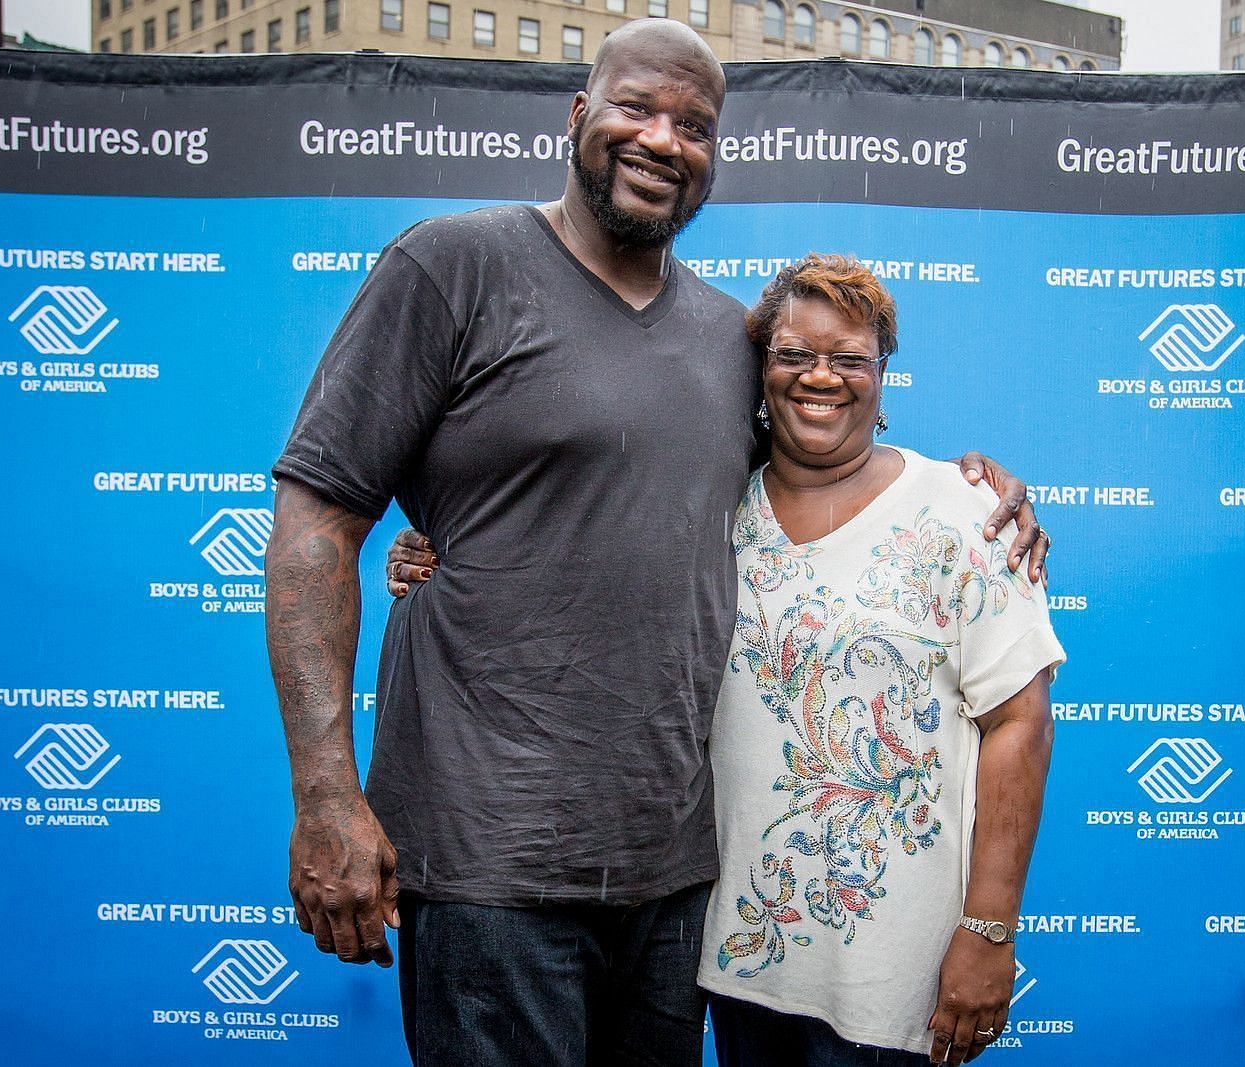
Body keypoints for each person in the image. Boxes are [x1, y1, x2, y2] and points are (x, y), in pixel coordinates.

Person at [267, 20, 1048, 1067]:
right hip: (492, 860)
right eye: (636, 107)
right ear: (578, 114)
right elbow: (317, 519)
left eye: (695, 125)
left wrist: (978, 487)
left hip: (677, 878)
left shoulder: (730, 340)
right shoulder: (448, 266)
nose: (662, 139)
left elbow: (827, 461)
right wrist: (326, 794)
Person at [392, 256, 1061, 1066]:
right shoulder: (715, 502)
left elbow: (1019, 722)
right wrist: (449, 550)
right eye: (793, 355)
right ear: (759, 375)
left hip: (900, 976)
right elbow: (571, 538)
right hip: (742, 964)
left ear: (883, 376)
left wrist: (988, 930)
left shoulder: (963, 514)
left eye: (850, 358)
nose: (822, 376)